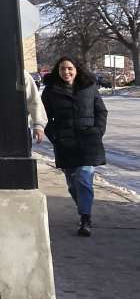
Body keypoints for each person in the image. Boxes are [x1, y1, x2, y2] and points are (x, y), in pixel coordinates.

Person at [40, 57, 107, 237]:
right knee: (72, 185)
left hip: (88, 142)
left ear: (77, 69)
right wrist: (55, 137)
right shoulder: (50, 91)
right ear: (57, 71)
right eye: (62, 69)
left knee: (84, 177)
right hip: (65, 143)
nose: (66, 72)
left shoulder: (89, 87)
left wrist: (97, 131)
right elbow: (44, 117)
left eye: (69, 68)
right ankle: (84, 209)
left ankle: (85, 218)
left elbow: (101, 111)